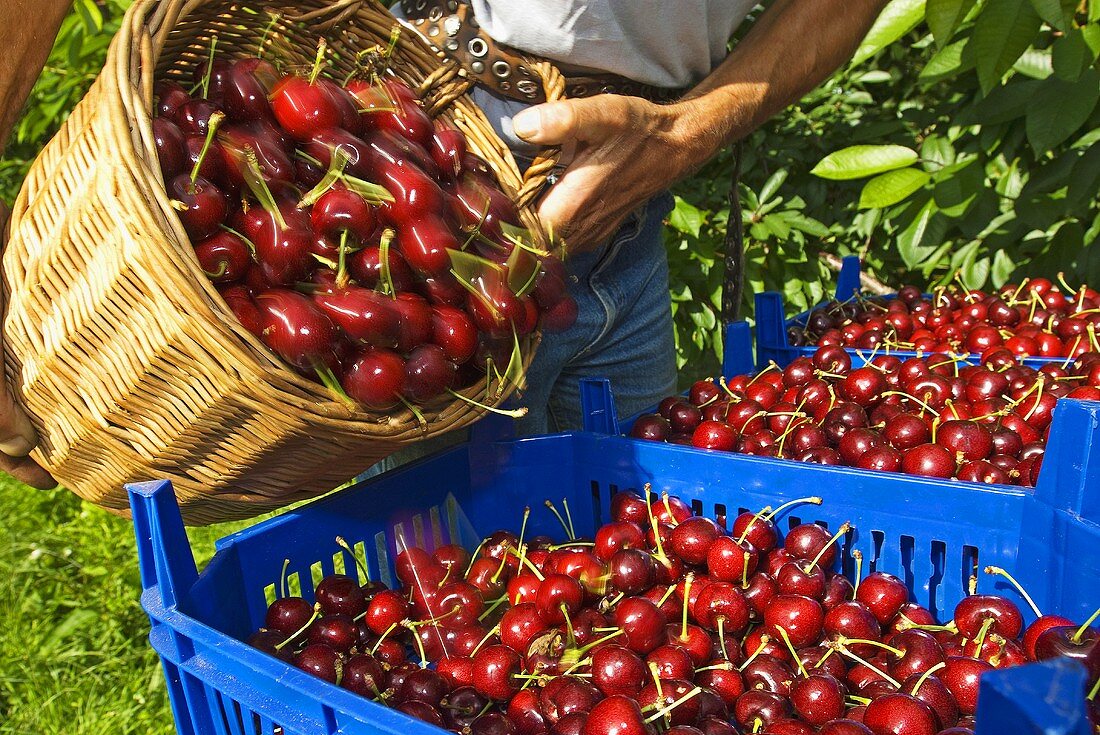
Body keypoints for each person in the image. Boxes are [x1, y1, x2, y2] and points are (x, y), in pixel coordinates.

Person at [0, 0, 885, 483]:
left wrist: (688, 134)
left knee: (621, 577)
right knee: (435, 628)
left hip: (619, 198)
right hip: (432, 151)